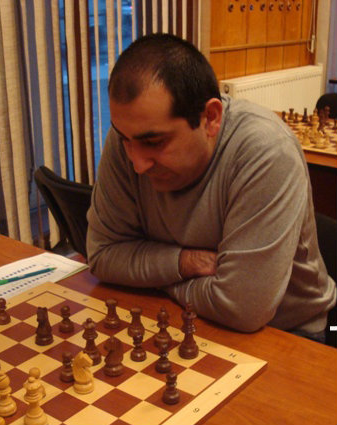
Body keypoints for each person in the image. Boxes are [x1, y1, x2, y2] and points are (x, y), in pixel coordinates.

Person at [86, 33, 336, 342]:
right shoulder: (129, 135)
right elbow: (102, 255)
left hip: (286, 331)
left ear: (211, 118)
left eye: (154, 142)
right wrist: (185, 263)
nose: (137, 164)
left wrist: (149, 273)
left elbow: (242, 309)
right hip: (183, 311)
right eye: (125, 139)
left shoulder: (267, 152)